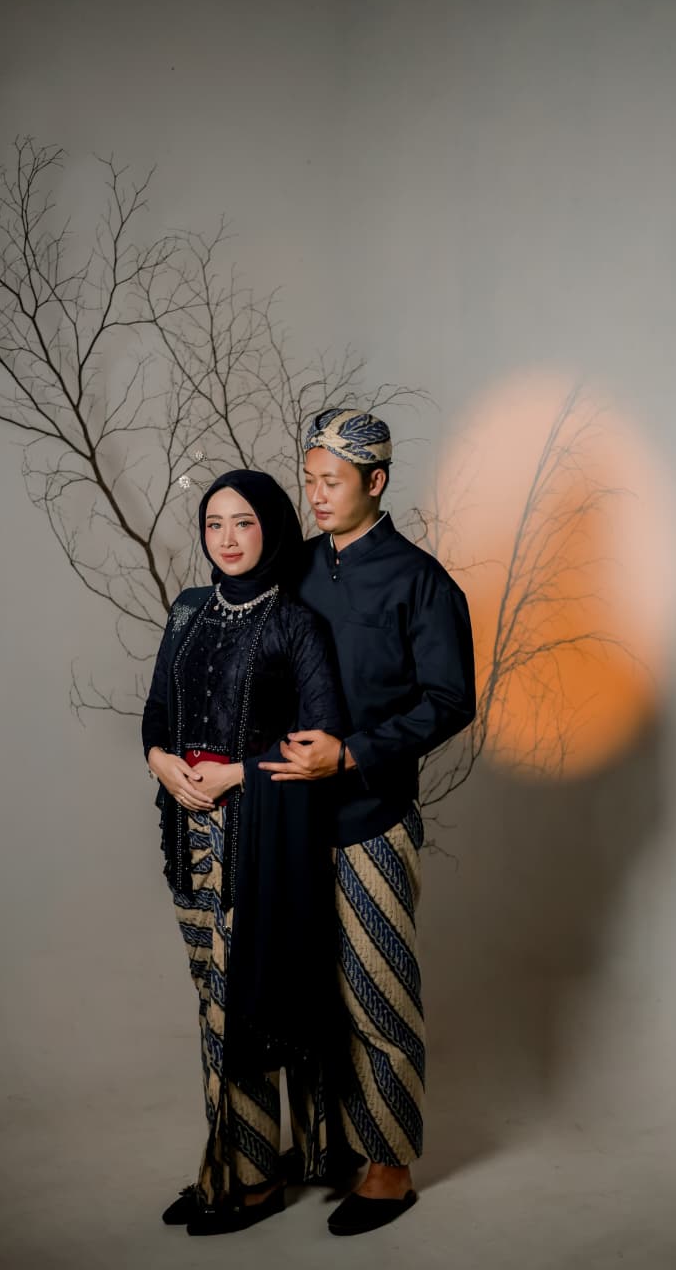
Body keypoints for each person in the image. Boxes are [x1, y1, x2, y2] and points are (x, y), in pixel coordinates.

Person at [260, 408, 477, 1236]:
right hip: (288, 816)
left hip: (370, 817)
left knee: (375, 991)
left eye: (332, 481)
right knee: (305, 993)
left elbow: (449, 700)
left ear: (376, 481)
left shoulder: (421, 581)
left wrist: (351, 754)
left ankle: (388, 1165)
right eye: (308, 481)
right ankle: (326, 1150)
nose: (315, 495)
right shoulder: (294, 568)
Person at [141, 469, 357, 1237]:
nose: (227, 539)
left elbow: (319, 739)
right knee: (212, 1005)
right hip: (187, 833)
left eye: (243, 523)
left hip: (257, 839)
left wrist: (236, 774)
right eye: (213, 524)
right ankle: (227, 1164)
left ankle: (253, 1182)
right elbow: (157, 711)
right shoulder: (187, 611)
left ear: (272, 527)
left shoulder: (296, 623)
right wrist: (160, 763)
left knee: (244, 1007)